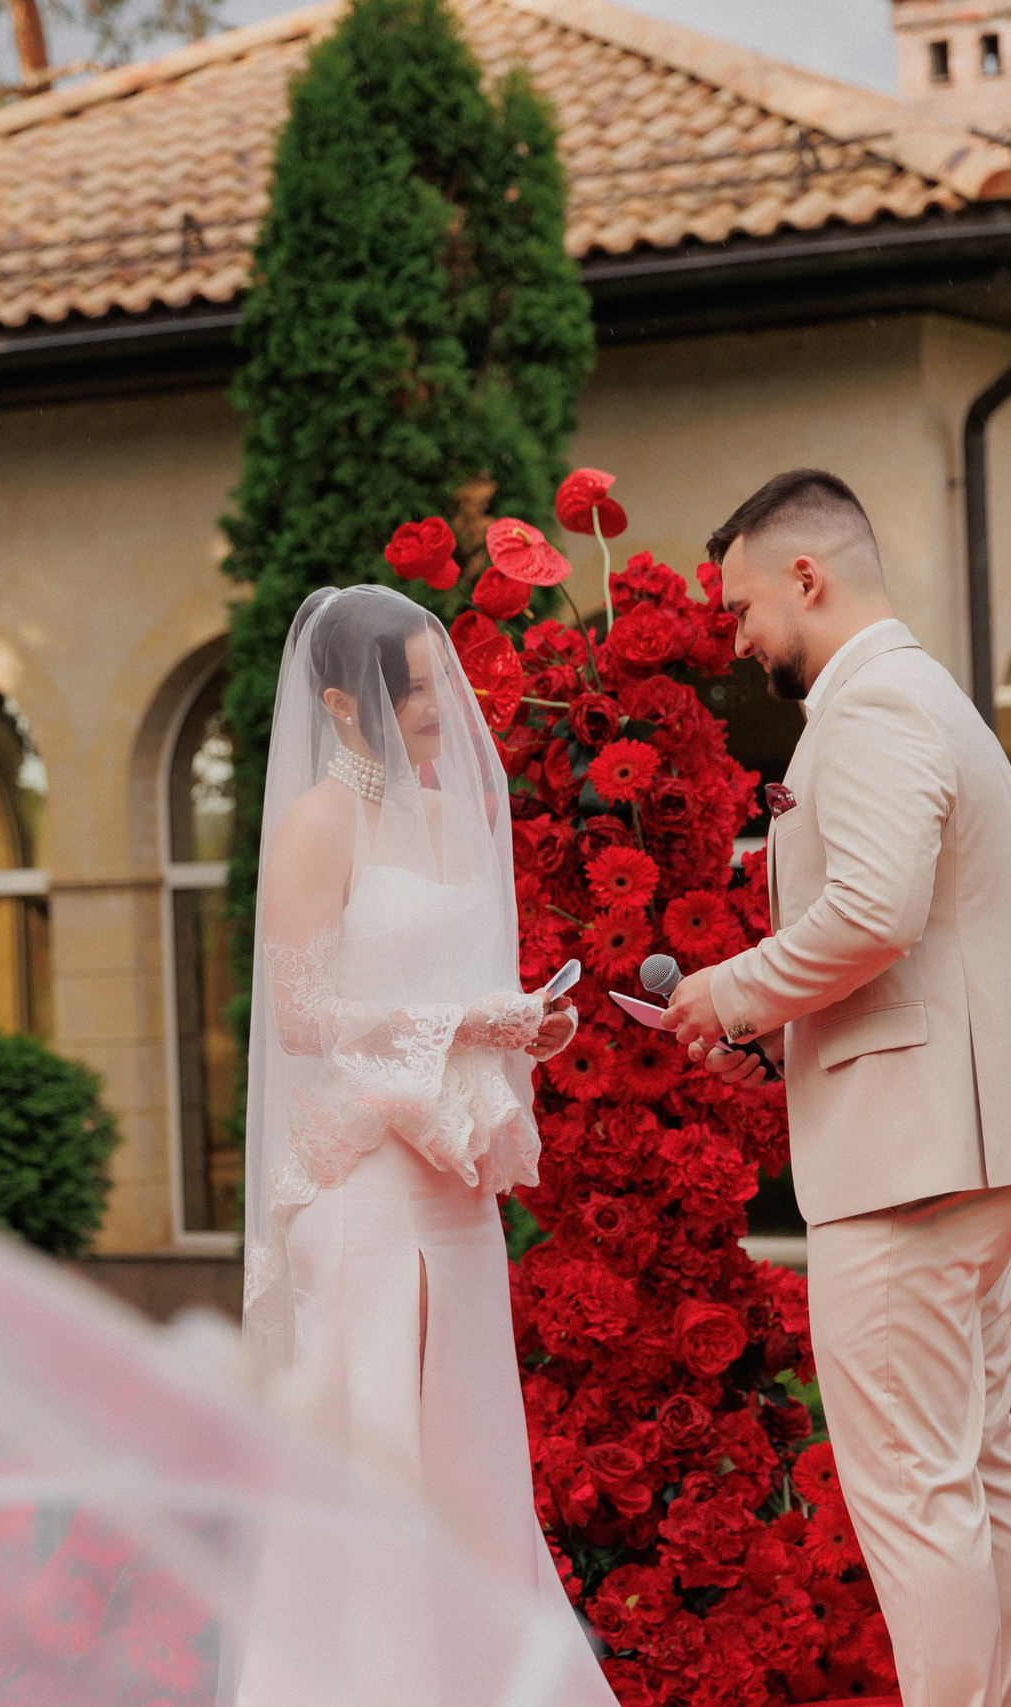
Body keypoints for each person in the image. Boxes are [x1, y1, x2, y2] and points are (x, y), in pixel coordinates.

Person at [663, 470, 1011, 1707]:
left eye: (740, 611)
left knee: (912, 1491)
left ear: (807, 577)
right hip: (961, 1143)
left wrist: (727, 994)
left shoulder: (874, 705)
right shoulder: (925, 693)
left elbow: (875, 912)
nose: (735, 642)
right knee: (975, 1472)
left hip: (909, 1156)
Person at [236, 584, 607, 1706]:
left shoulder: (451, 817)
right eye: (420, 690)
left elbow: (453, 994)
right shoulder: (317, 825)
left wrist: (519, 1022)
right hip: (361, 1191)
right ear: (346, 706)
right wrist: (455, 1022)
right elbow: (300, 1018)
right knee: (379, 1474)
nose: (447, 707)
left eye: (444, 682)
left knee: (472, 1469)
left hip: (451, 1188)